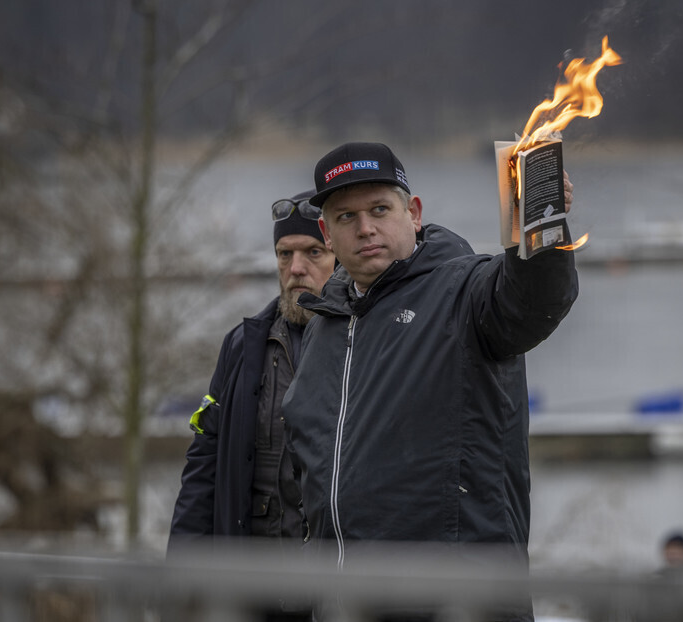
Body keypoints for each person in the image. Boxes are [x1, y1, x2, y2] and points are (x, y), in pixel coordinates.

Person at [282, 142, 578, 567]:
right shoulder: (324, 327)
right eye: (347, 217)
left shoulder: (467, 292)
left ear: (414, 214)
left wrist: (540, 225)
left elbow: (534, 298)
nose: (365, 228)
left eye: (380, 210)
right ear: (327, 235)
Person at [169, 190, 335, 544]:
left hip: (333, 581)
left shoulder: (363, 339)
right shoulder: (242, 346)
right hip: (251, 579)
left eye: (314, 252)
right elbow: (204, 464)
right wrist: (183, 571)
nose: (295, 268)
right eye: (284, 254)